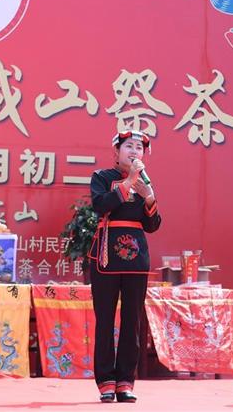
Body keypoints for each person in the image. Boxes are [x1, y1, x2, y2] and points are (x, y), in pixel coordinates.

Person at [87, 130, 162, 403]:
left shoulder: (146, 183)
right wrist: (129, 181)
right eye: (129, 146)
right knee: (105, 320)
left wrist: (150, 197)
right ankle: (106, 381)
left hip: (136, 259)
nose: (134, 152)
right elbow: (100, 205)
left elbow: (152, 226)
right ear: (116, 152)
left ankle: (125, 382)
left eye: (139, 148)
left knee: (132, 320)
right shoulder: (102, 178)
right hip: (106, 255)